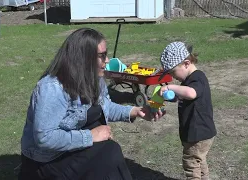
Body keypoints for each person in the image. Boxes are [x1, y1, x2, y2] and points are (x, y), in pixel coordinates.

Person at [18, 27, 164, 180]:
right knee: (109, 153)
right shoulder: (52, 88)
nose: (107, 60)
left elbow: (105, 106)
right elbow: (45, 137)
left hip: (75, 149)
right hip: (49, 160)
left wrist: (135, 111)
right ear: (83, 58)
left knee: (110, 152)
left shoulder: (95, 78)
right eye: (102, 55)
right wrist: (90, 136)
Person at [157, 42, 217, 180]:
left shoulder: (197, 78)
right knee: (199, 162)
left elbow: (191, 94)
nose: (173, 76)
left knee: (191, 163)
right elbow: (186, 96)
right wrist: (175, 97)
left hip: (198, 134)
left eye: (173, 72)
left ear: (186, 63)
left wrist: (170, 88)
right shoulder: (188, 81)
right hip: (199, 132)